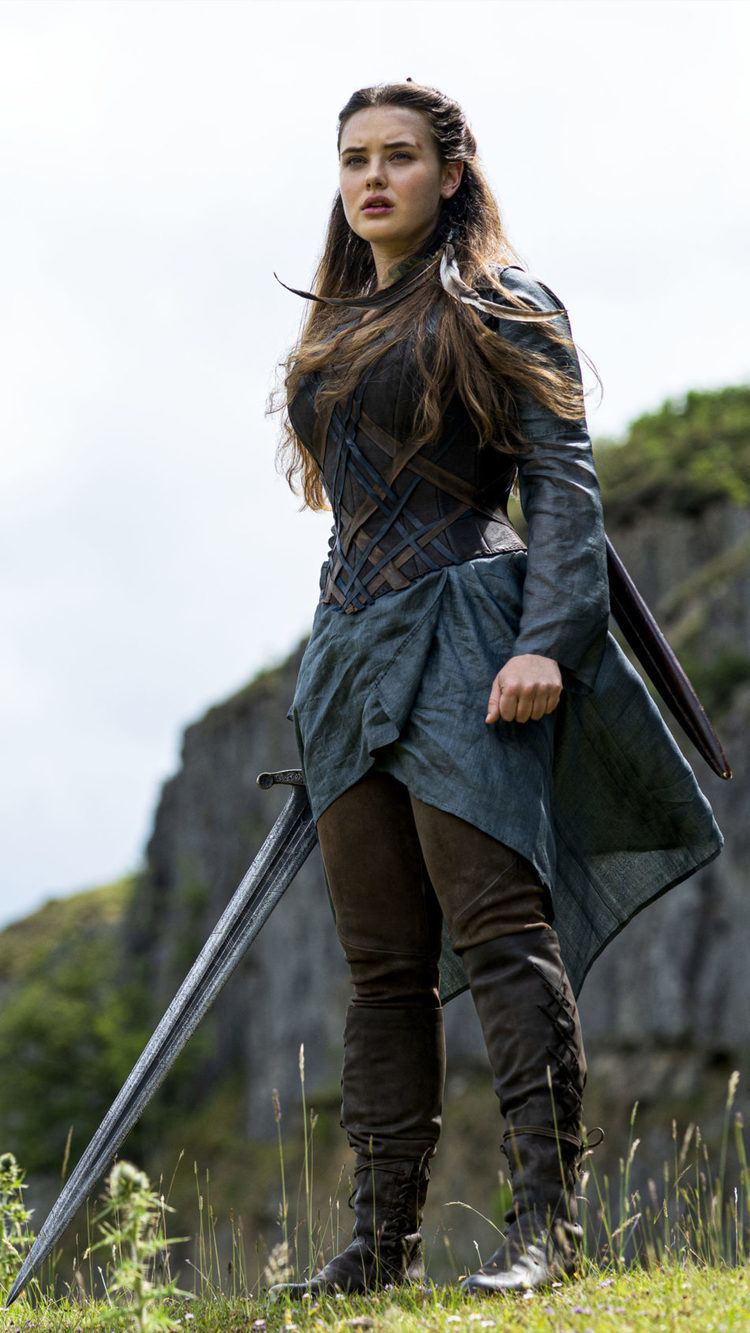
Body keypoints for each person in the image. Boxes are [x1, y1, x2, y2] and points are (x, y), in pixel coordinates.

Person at [266, 81, 724, 1298]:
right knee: (379, 966)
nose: (372, 178)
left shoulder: (504, 301)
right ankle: (378, 1246)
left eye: (399, 158)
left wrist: (547, 642)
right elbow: (349, 519)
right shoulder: (335, 324)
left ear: (450, 173)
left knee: (503, 933)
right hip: (352, 648)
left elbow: (565, 489)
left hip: (475, 631)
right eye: (354, 158)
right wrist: (322, 675)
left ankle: (545, 1231)